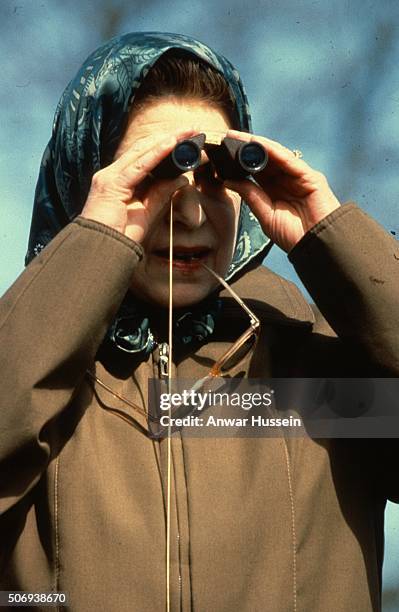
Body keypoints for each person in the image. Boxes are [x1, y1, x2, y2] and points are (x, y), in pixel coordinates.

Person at [0, 32, 398, 612]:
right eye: (157, 175)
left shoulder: (312, 370)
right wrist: (90, 254)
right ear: (89, 179)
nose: (189, 214)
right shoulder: (38, 372)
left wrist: (332, 235)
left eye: (214, 176)